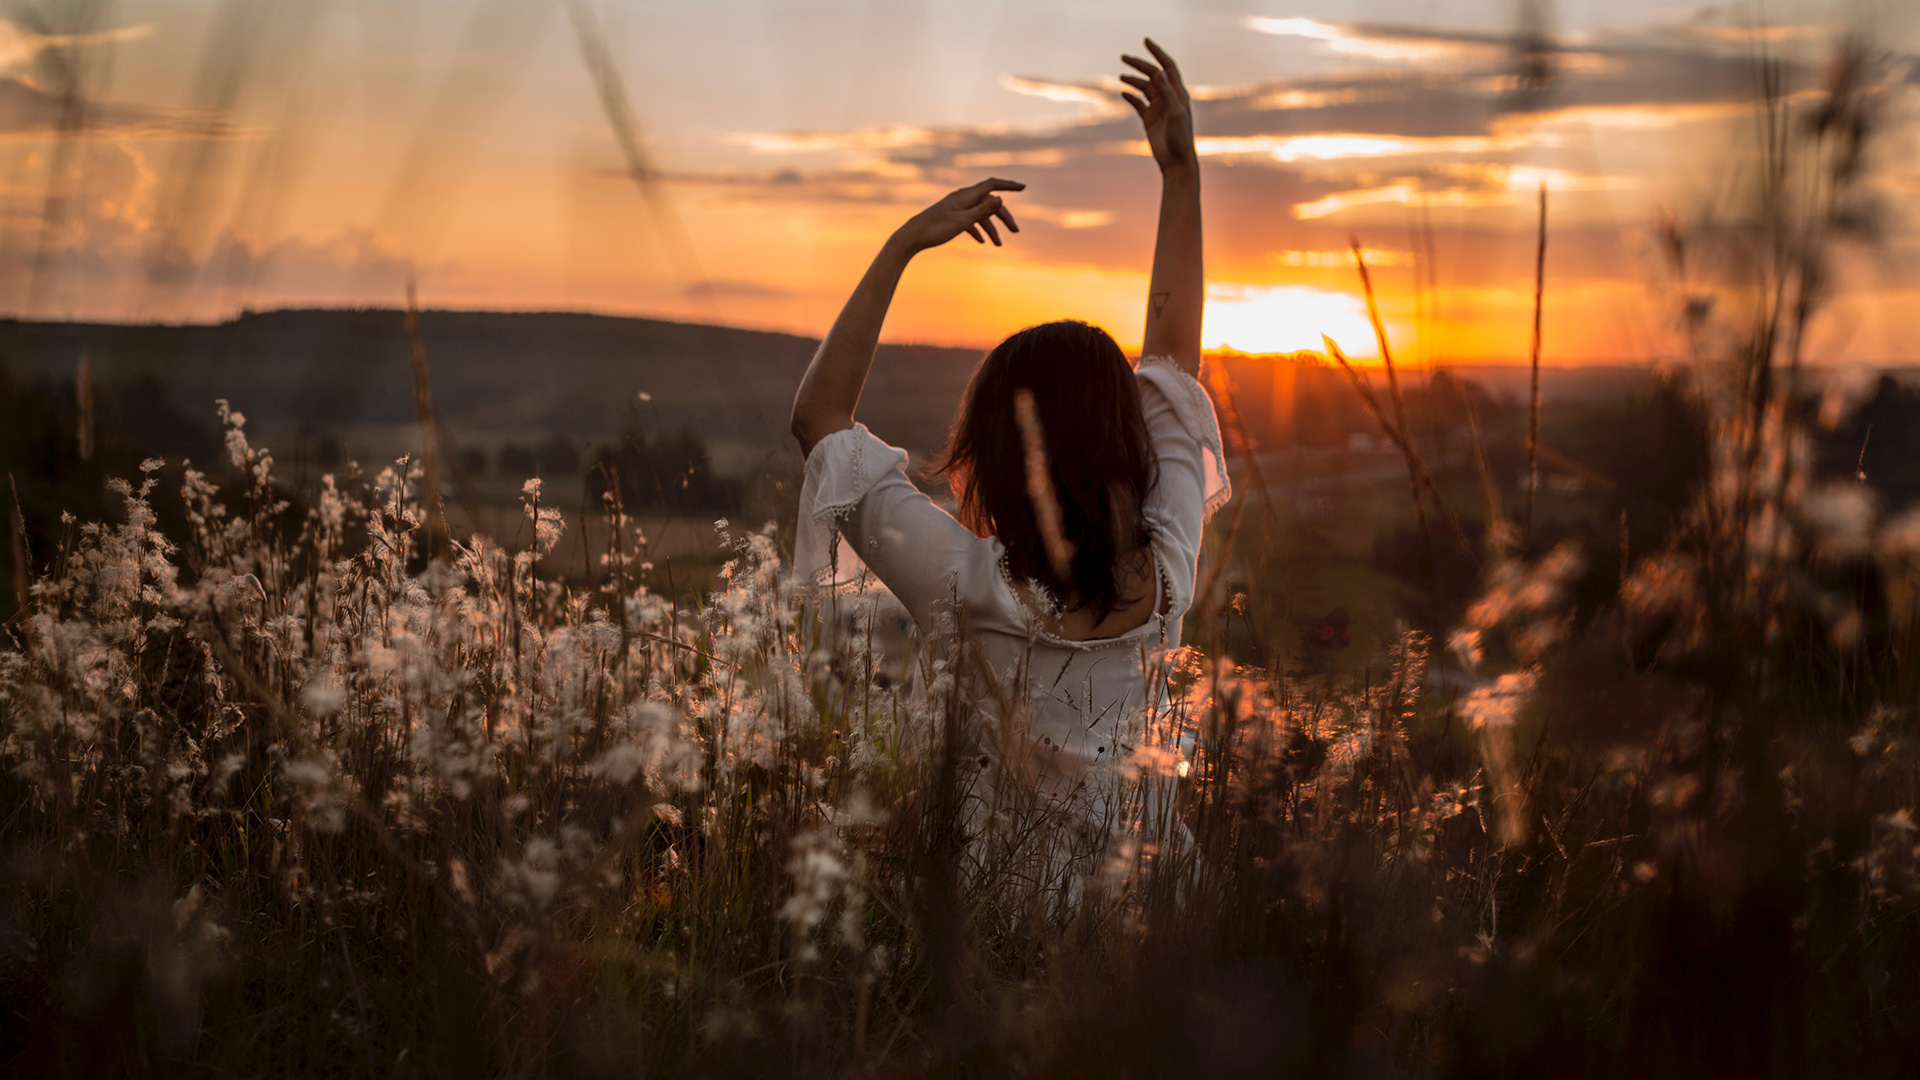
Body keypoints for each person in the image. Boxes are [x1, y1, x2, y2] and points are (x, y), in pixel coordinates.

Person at [789, 40, 1228, 874]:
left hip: (1002, 956)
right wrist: (1181, 177)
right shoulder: (1170, 568)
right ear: (1125, 448)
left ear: (997, 456)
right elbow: (1171, 364)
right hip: (1152, 933)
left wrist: (904, 245)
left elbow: (819, 419)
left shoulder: (967, 584)